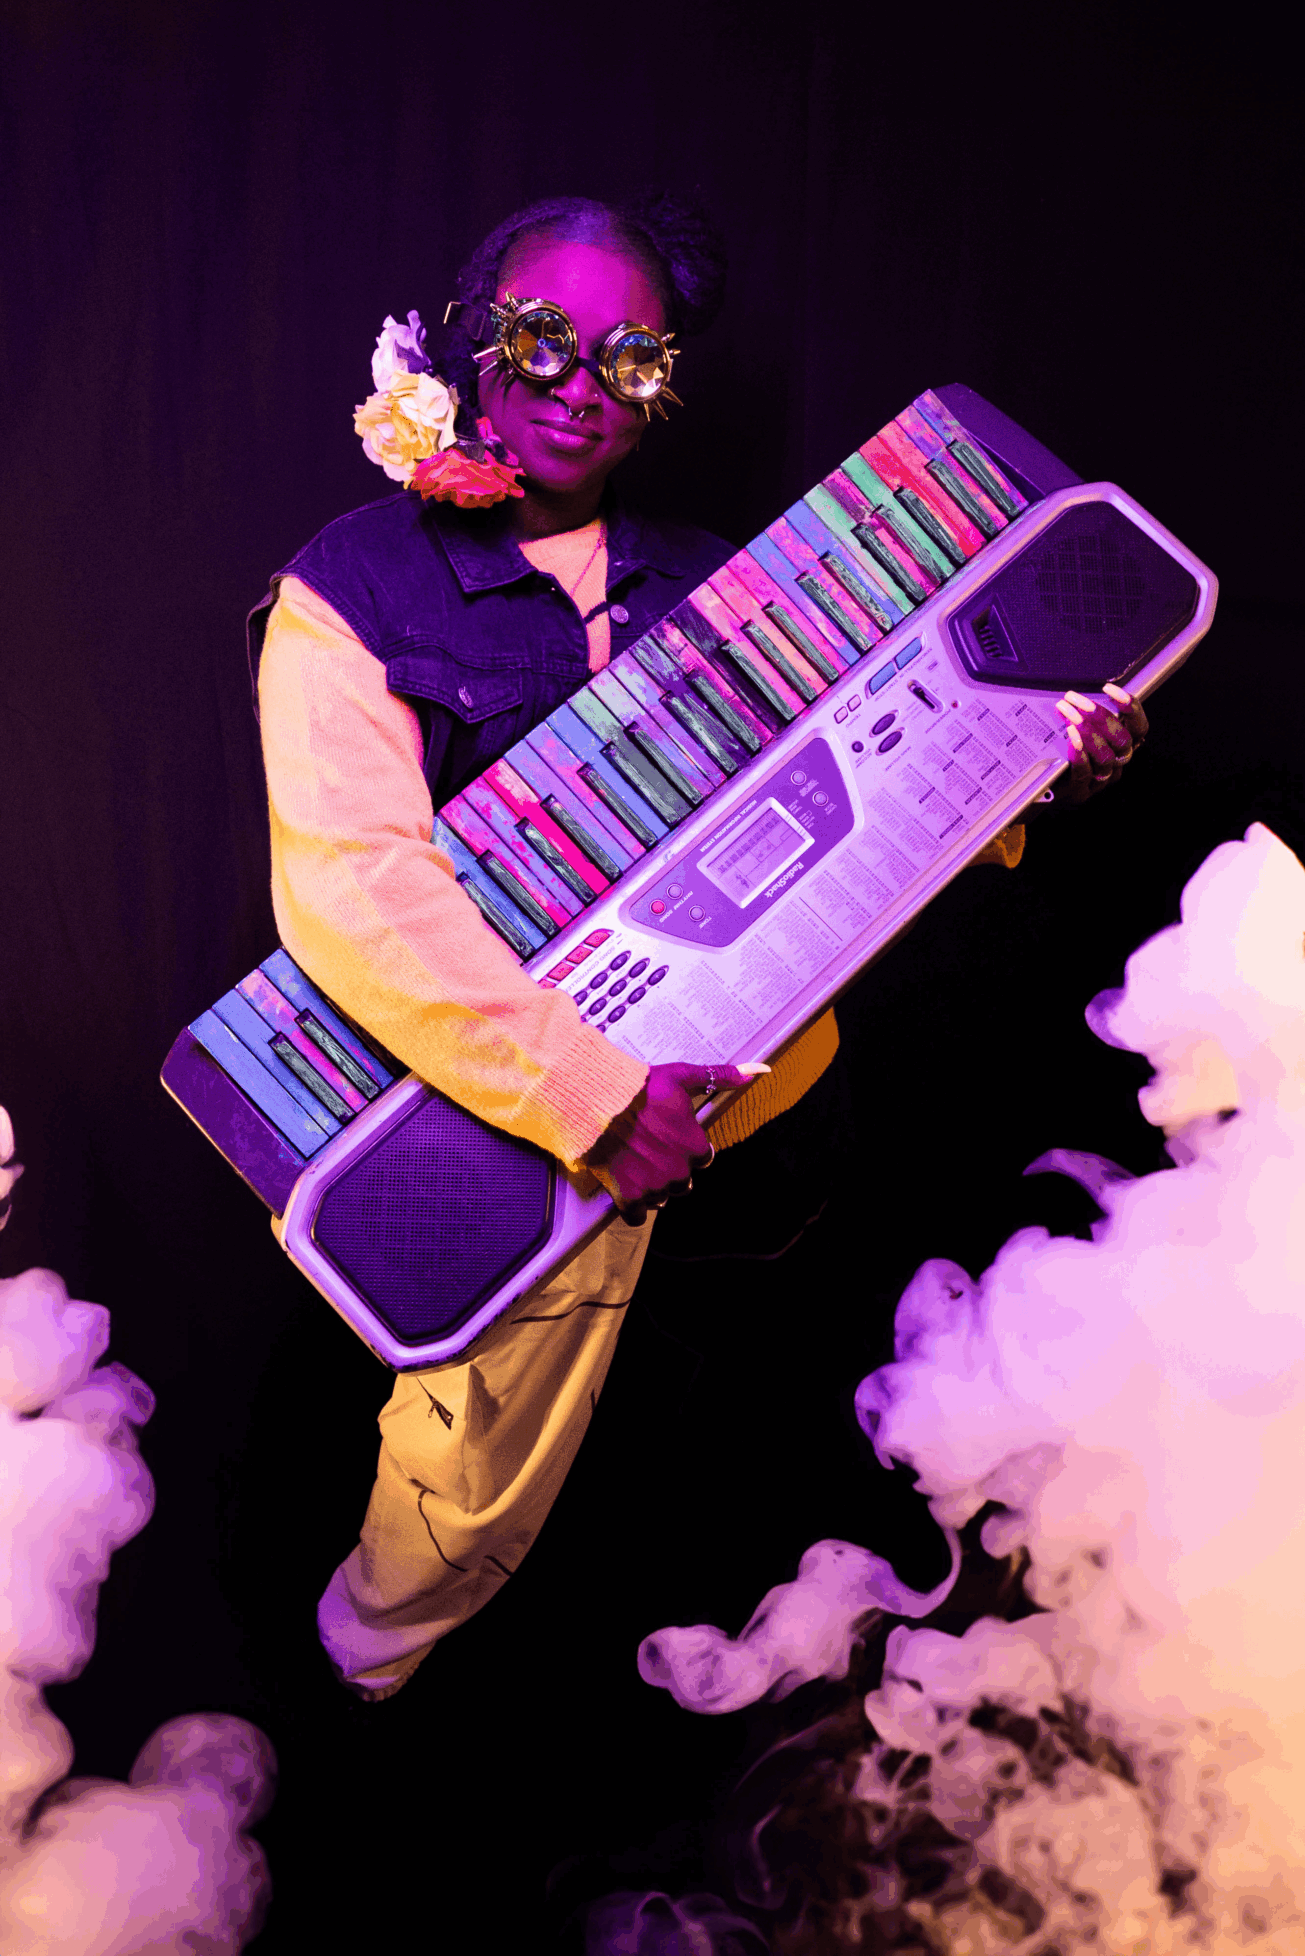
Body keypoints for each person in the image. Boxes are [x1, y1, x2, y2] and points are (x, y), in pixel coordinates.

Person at [248, 193, 1148, 1701]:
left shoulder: (722, 577)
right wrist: (595, 1101)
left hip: (767, 1132)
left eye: (631, 357)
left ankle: (650, 1716)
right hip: (526, 1144)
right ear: (476, 337)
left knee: (703, 1482)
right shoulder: (353, 589)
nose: (581, 384)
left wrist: (1038, 767)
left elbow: (865, 796)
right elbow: (356, 892)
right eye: (545, 339)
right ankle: (370, 1692)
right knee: (458, 1513)